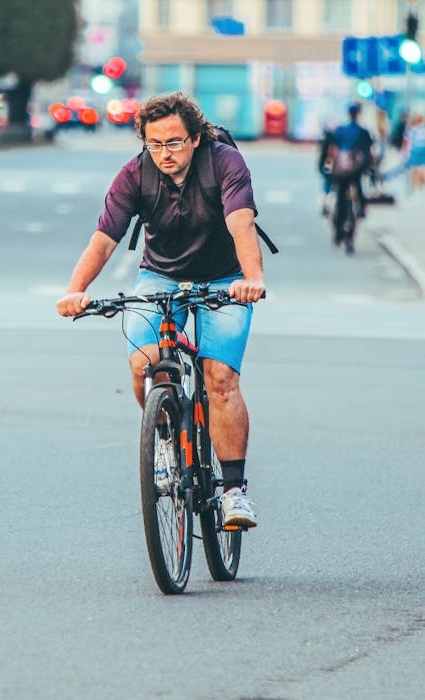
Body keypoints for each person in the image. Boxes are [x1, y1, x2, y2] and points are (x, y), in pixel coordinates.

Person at [56, 92, 265, 528]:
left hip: (225, 279)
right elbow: (104, 240)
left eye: (173, 142)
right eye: (155, 144)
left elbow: (240, 222)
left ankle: (233, 492)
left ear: (193, 138)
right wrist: (75, 291)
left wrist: (252, 279)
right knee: (143, 362)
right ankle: (166, 441)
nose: (165, 153)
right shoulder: (135, 174)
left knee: (220, 378)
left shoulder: (224, 163)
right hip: (160, 277)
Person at [326, 102, 373, 222]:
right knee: (358, 186)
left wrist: (328, 164)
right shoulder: (363, 132)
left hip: (340, 169)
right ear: (358, 114)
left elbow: (331, 148)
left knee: (341, 192)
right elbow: (369, 152)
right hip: (356, 169)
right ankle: (361, 210)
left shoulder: (340, 130)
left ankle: (337, 220)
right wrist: (370, 167)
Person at [403, 113, 425, 192]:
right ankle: (417, 189)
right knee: (418, 171)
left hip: (417, 152)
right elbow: (408, 143)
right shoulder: (412, 130)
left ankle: (416, 189)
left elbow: (407, 143)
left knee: (417, 171)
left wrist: (406, 154)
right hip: (417, 152)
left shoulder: (412, 130)